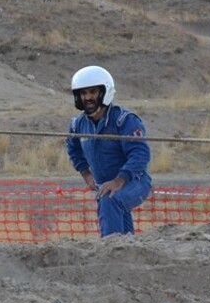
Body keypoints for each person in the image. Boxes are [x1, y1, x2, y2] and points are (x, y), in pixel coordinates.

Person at [65, 65, 151, 236]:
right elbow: (73, 149)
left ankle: (111, 256)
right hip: (107, 186)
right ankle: (127, 253)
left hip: (135, 181)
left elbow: (140, 154)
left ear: (104, 92)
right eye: (83, 93)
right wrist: (86, 175)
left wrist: (119, 181)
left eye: (92, 92)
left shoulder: (124, 121)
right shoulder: (77, 125)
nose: (88, 97)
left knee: (110, 200)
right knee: (122, 230)